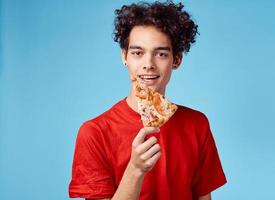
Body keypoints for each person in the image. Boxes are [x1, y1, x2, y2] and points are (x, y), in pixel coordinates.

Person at [69, 1, 227, 200]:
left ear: (176, 59)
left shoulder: (197, 124)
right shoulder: (95, 133)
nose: (148, 64)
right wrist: (135, 169)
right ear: (124, 56)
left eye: (161, 54)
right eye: (137, 53)